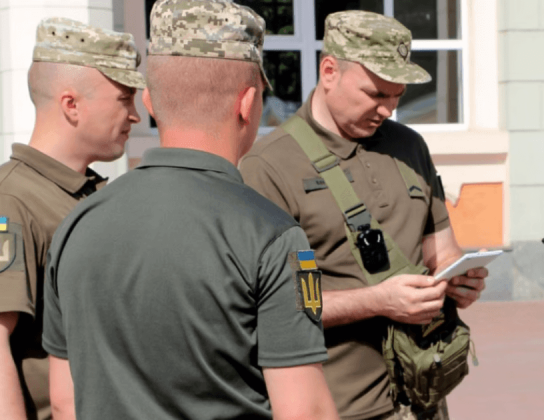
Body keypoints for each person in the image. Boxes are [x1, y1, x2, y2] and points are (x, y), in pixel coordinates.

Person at [40, 1, 338, 419]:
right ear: (248, 104)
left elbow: (64, 401)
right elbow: (306, 411)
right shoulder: (271, 235)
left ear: (151, 103)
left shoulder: (77, 224)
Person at [240, 10, 487, 420]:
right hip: (338, 406)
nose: (388, 108)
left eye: (397, 95)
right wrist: (377, 301)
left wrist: (458, 279)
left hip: (423, 397)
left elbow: (441, 251)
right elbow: (274, 305)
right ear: (330, 70)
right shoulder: (269, 165)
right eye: (375, 93)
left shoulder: (410, 147)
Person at [0, 17, 145, 420]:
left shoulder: (97, 195)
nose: (135, 116)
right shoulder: (12, 200)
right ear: (71, 105)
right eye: (123, 99)